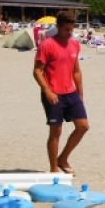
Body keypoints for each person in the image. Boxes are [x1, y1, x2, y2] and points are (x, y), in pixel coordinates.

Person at [33, 11, 88, 174]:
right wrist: (48, 91)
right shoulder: (47, 45)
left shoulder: (75, 44)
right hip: (53, 93)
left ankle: (62, 158)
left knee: (83, 127)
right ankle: (53, 169)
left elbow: (76, 70)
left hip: (71, 92)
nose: (69, 33)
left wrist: (80, 94)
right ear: (58, 27)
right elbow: (37, 71)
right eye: (66, 29)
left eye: (71, 29)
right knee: (56, 131)